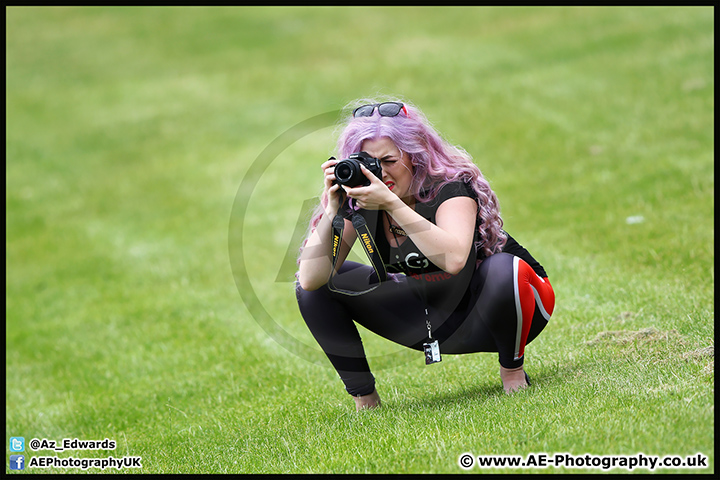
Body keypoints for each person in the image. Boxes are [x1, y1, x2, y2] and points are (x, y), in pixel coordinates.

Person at [295, 99, 555, 411]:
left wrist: (392, 204)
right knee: (317, 287)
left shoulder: (449, 187)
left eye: (389, 160)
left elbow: (455, 259)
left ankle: (512, 372)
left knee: (503, 270)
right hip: (432, 313)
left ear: (415, 153)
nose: (380, 171)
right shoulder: (360, 198)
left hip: (505, 307)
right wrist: (332, 209)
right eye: (369, 162)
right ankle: (366, 401)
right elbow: (311, 280)